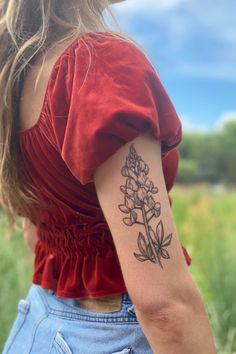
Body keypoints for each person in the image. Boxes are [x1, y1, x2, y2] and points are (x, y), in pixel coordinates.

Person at [0, 0, 217, 353]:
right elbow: (163, 304)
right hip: (111, 338)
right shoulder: (99, 66)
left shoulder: (20, 72)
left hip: (38, 324)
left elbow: (35, 236)